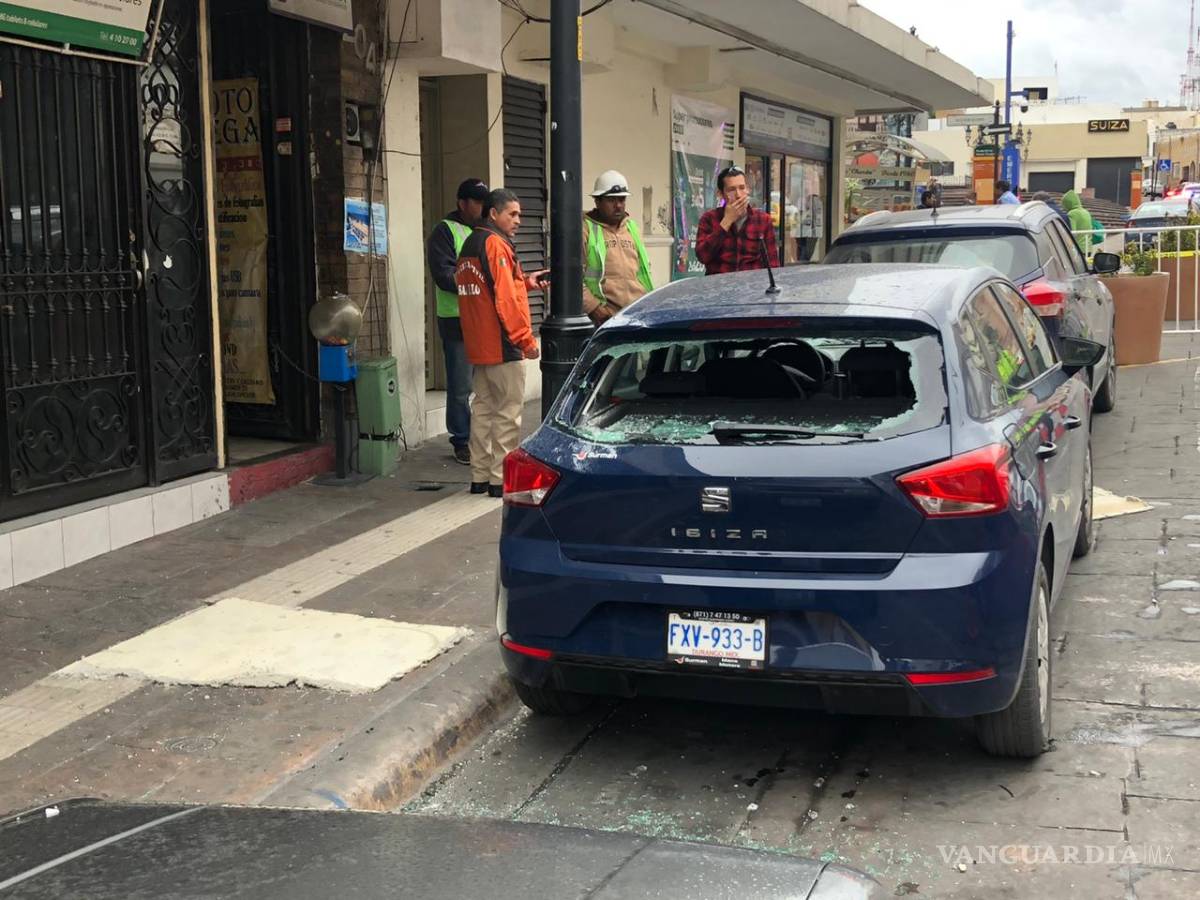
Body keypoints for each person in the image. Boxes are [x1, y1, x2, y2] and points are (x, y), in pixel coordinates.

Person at [455, 189, 545, 498]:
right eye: (513, 214)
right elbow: (505, 299)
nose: (519, 220)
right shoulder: (495, 245)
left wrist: (526, 281)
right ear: (493, 213)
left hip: (479, 346)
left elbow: (486, 292)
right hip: (504, 345)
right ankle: (499, 481)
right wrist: (525, 339)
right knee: (507, 415)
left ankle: (480, 477)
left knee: (482, 412)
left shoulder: (470, 243)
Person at [426, 177, 490, 466]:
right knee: (461, 385)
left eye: (484, 201)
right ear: (461, 203)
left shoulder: (487, 232)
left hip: (485, 320)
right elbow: (444, 275)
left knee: (487, 384)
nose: (482, 206)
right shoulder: (445, 231)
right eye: (477, 201)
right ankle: (462, 440)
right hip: (457, 320)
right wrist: (480, 285)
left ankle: (481, 438)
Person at [582, 170, 654, 326]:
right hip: (605, 318)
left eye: (622, 200)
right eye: (611, 200)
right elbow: (572, 279)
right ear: (597, 201)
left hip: (637, 314)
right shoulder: (585, 229)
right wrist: (595, 309)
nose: (618, 206)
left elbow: (643, 271)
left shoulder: (632, 228)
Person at [695, 165, 781, 275]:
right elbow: (703, 256)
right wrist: (726, 221)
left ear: (748, 190)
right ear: (720, 194)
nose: (738, 195)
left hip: (752, 286)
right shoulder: (709, 219)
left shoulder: (763, 220)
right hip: (718, 286)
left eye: (742, 188)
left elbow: (773, 264)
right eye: (731, 190)